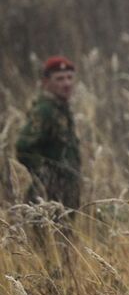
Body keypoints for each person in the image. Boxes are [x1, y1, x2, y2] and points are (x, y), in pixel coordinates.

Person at [16, 56, 82, 210]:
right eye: (59, 79)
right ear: (46, 82)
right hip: (48, 196)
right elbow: (23, 148)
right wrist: (47, 175)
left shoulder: (62, 109)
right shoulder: (44, 111)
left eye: (69, 78)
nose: (66, 84)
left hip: (65, 193)